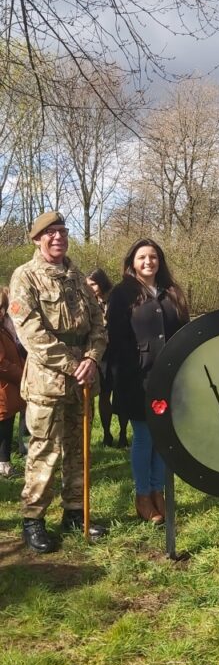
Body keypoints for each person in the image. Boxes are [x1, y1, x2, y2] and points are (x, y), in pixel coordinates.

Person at [9, 212, 107, 552]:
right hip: (47, 382)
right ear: (37, 239)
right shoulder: (26, 277)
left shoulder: (77, 276)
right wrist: (74, 363)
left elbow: (98, 324)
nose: (57, 238)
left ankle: (75, 513)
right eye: (49, 233)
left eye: (62, 232)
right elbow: (31, 333)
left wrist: (92, 358)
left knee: (78, 452)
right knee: (44, 451)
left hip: (82, 381)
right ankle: (33, 520)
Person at [107, 238, 189, 524]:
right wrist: (120, 378)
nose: (148, 262)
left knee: (163, 436)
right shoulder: (122, 294)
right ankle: (143, 495)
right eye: (142, 257)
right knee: (144, 436)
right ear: (132, 262)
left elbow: (184, 333)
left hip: (171, 376)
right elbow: (114, 340)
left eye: (153, 257)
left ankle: (159, 492)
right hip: (136, 378)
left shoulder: (172, 292)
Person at [86, 269, 129, 449]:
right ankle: (106, 434)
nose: (91, 288)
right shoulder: (88, 303)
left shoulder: (116, 299)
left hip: (119, 353)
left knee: (122, 393)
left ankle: (123, 434)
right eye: (87, 285)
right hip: (101, 355)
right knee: (104, 394)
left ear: (101, 283)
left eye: (93, 284)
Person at [0, 287, 26, 477]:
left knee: (7, 423)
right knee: (3, 425)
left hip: (8, 388)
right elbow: (1, 363)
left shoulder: (3, 328)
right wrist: (23, 374)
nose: (2, 311)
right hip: (3, 387)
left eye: (3, 307)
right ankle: (3, 464)